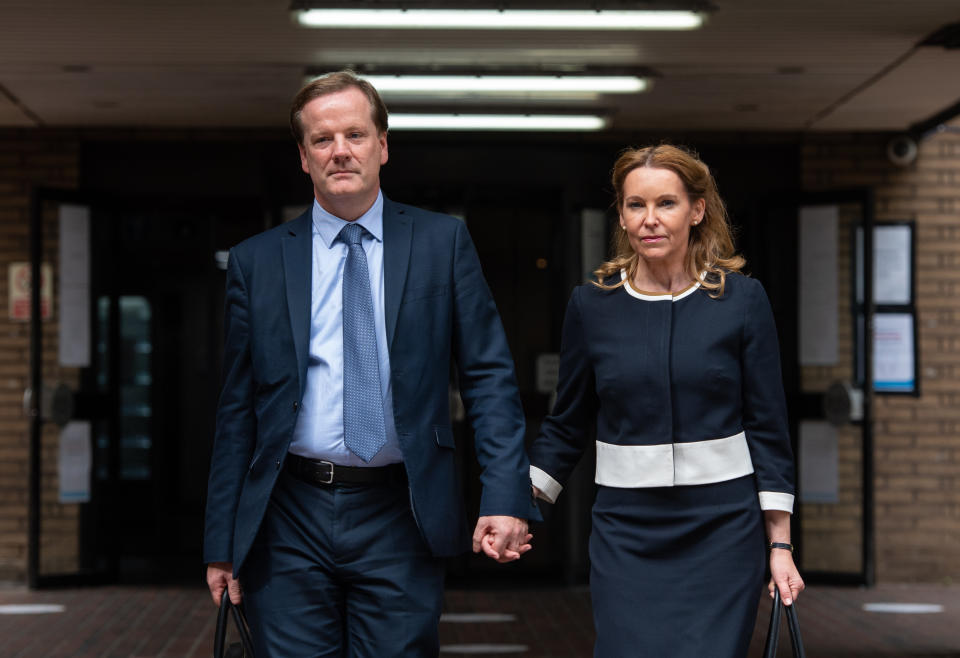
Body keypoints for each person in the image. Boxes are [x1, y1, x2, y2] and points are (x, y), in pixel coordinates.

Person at [203, 70, 538, 657]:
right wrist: (222, 542)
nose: (340, 152)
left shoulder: (442, 243)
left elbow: (489, 378)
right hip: (289, 514)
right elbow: (237, 409)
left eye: (355, 135)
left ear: (382, 146)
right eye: (322, 140)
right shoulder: (257, 262)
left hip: (401, 508)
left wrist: (505, 495)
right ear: (303, 158)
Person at [528, 144, 803, 657]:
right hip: (626, 531)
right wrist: (518, 502)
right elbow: (567, 423)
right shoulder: (592, 306)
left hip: (722, 531)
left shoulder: (741, 301)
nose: (649, 220)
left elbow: (768, 427)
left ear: (697, 210)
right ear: (622, 215)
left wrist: (780, 546)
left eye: (666, 204)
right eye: (636, 205)